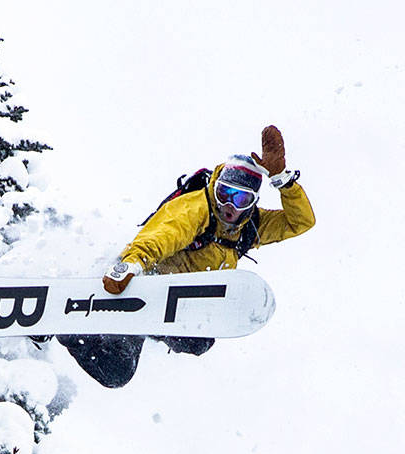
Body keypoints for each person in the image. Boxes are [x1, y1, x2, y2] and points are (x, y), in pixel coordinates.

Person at [64, 125, 312, 381]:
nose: (228, 205)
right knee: (128, 365)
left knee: (117, 373)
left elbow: (300, 222)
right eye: (224, 193)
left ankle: (69, 333)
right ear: (215, 187)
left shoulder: (250, 227)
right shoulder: (197, 207)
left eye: (240, 200)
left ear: (251, 204)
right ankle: (70, 319)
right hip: (138, 278)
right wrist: (132, 263)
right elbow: (165, 232)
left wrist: (283, 180)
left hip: (166, 303)